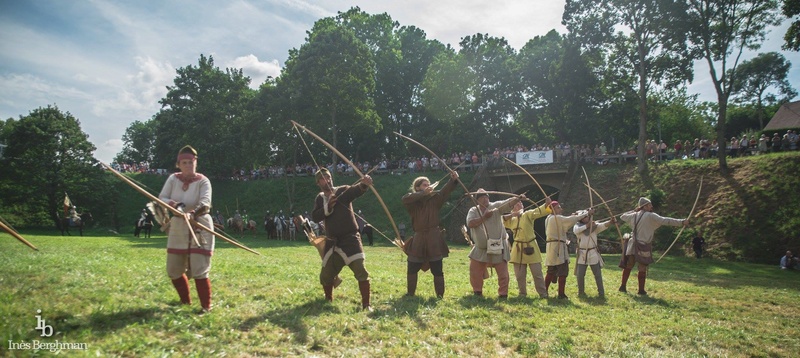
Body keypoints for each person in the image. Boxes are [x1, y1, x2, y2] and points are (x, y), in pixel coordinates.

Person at [158, 145, 214, 313]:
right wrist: (175, 206)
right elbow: (162, 197)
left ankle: (206, 307)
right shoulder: (173, 179)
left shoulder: (203, 181)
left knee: (199, 268)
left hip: (200, 225)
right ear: (179, 164)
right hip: (178, 225)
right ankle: (185, 302)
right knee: (173, 269)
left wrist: (193, 213)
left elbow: (206, 203)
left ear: (196, 162)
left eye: (191, 162)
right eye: (185, 162)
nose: (188, 165)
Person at [311, 168, 374, 310]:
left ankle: (366, 304)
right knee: (326, 275)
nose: (326, 180)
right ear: (318, 183)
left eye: (328, 177)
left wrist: (364, 184)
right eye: (322, 178)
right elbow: (315, 217)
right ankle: (328, 300)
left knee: (361, 270)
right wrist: (328, 207)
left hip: (350, 239)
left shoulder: (342, 191)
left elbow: (355, 191)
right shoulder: (320, 198)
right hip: (332, 242)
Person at [401, 172, 460, 297]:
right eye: (424, 185)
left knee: (437, 267)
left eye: (428, 184)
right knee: (412, 265)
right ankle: (410, 294)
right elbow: (405, 198)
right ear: (417, 188)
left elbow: (444, 191)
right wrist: (423, 194)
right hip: (419, 237)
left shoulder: (435, 200)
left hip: (433, 238)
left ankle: (440, 295)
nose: (428, 186)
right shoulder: (412, 202)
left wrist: (453, 180)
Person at [619, 197, 688, 295]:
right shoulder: (651, 216)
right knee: (642, 267)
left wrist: (635, 210)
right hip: (642, 245)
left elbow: (622, 216)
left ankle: (623, 286)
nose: (651, 206)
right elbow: (665, 220)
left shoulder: (633, 215)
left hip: (633, 244)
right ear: (645, 206)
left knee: (629, 266)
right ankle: (640, 290)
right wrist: (681, 222)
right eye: (649, 204)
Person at [466, 189, 523, 298]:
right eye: (482, 197)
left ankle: (503, 294)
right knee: (475, 271)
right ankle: (477, 292)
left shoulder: (495, 207)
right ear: (477, 200)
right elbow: (470, 223)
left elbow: (506, 203)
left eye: (487, 197)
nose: (485, 199)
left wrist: (517, 198)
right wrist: (484, 217)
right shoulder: (473, 211)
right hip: (481, 248)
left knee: (503, 273)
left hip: (497, 245)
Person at [503, 197, 552, 298]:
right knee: (520, 275)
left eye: (520, 202)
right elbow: (500, 220)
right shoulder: (511, 219)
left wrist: (546, 205)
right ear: (512, 207)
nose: (519, 204)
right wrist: (513, 215)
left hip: (531, 246)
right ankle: (522, 293)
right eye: (516, 203)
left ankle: (543, 293)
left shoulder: (527, 214)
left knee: (537, 273)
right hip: (518, 249)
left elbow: (538, 212)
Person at [545, 202, 594, 299]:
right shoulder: (556, 218)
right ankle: (561, 294)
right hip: (557, 247)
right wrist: (587, 213)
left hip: (553, 246)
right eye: (558, 207)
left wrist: (574, 216)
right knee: (562, 271)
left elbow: (566, 223)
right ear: (553, 209)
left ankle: (544, 291)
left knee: (551, 270)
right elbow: (570, 220)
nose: (561, 209)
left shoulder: (549, 218)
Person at [573, 214, 615, 297]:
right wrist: (588, 225)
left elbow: (603, 225)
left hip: (592, 252)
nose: (587, 218)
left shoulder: (594, 226)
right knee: (580, 274)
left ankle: (601, 293)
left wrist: (610, 222)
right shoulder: (577, 226)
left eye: (587, 216)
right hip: (582, 253)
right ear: (581, 219)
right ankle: (581, 292)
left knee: (597, 274)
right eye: (585, 217)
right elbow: (576, 231)